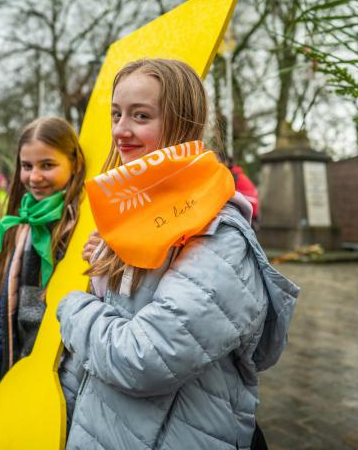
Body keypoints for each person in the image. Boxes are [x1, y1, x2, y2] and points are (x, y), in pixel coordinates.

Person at [56, 58, 299, 449]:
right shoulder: (135, 213)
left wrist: (71, 307)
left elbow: (143, 358)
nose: (121, 130)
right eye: (116, 114)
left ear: (182, 124)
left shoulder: (218, 234)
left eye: (141, 116)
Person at [0, 117, 87, 447]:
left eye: (48, 165)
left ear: (74, 164)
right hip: (18, 372)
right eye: (26, 165)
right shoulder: (17, 227)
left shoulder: (85, 231)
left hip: (72, 388)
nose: (34, 177)